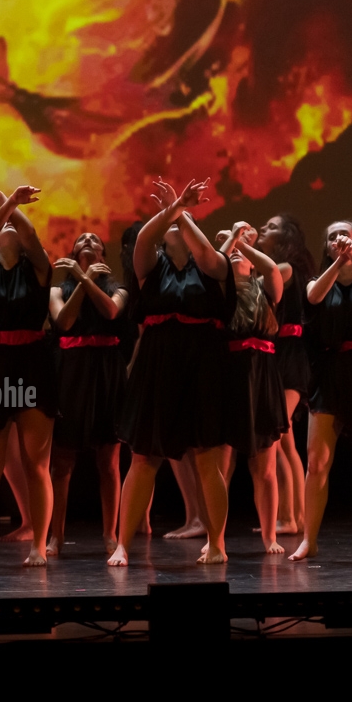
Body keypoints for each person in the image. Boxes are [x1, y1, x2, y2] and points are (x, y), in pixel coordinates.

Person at [110, 178, 233, 567]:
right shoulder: (151, 264)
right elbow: (144, 240)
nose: (179, 227)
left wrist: (181, 213)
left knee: (207, 457)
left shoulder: (213, 265)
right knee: (143, 457)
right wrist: (173, 209)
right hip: (159, 362)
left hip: (203, 362)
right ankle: (123, 545)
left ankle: (217, 543)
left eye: (185, 223)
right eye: (173, 224)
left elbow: (208, 253)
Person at [0, 183, 57, 567]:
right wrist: (5, 205)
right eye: (2, 224)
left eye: (12, 225)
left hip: (32, 364)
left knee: (36, 465)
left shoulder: (38, 269)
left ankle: (39, 545)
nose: (7, 227)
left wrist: (10, 201)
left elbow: (30, 233)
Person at [290, 221, 352, 563]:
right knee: (317, 462)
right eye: (332, 236)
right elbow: (313, 297)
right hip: (330, 372)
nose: (338, 239)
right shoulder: (317, 282)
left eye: (345, 235)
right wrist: (339, 261)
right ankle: (309, 540)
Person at [47, 231, 128, 555]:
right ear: (72, 254)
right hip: (71, 372)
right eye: (81, 239)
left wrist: (84, 278)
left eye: (94, 240)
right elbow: (64, 322)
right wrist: (82, 280)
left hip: (107, 373)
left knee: (109, 462)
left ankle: (110, 534)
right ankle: (56, 536)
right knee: (62, 462)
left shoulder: (118, 289)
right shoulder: (57, 290)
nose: (88, 241)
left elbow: (110, 312)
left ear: (103, 256)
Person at [215, 223, 289, 554]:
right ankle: (215, 539)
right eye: (230, 251)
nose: (234, 253)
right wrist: (230, 244)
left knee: (265, 468)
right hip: (228, 375)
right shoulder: (217, 291)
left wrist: (241, 244)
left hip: (263, 377)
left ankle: (270, 537)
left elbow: (273, 269)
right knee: (221, 466)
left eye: (241, 252)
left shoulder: (265, 288)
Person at [260, 213, 315, 534]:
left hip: (290, 357)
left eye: (271, 227)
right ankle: (294, 516)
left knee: (280, 437)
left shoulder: (285, 268)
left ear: (284, 237)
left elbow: (256, 283)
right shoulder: (286, 268)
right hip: (282, 355)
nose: (263, 229)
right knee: (285, 439)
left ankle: (290, 517)